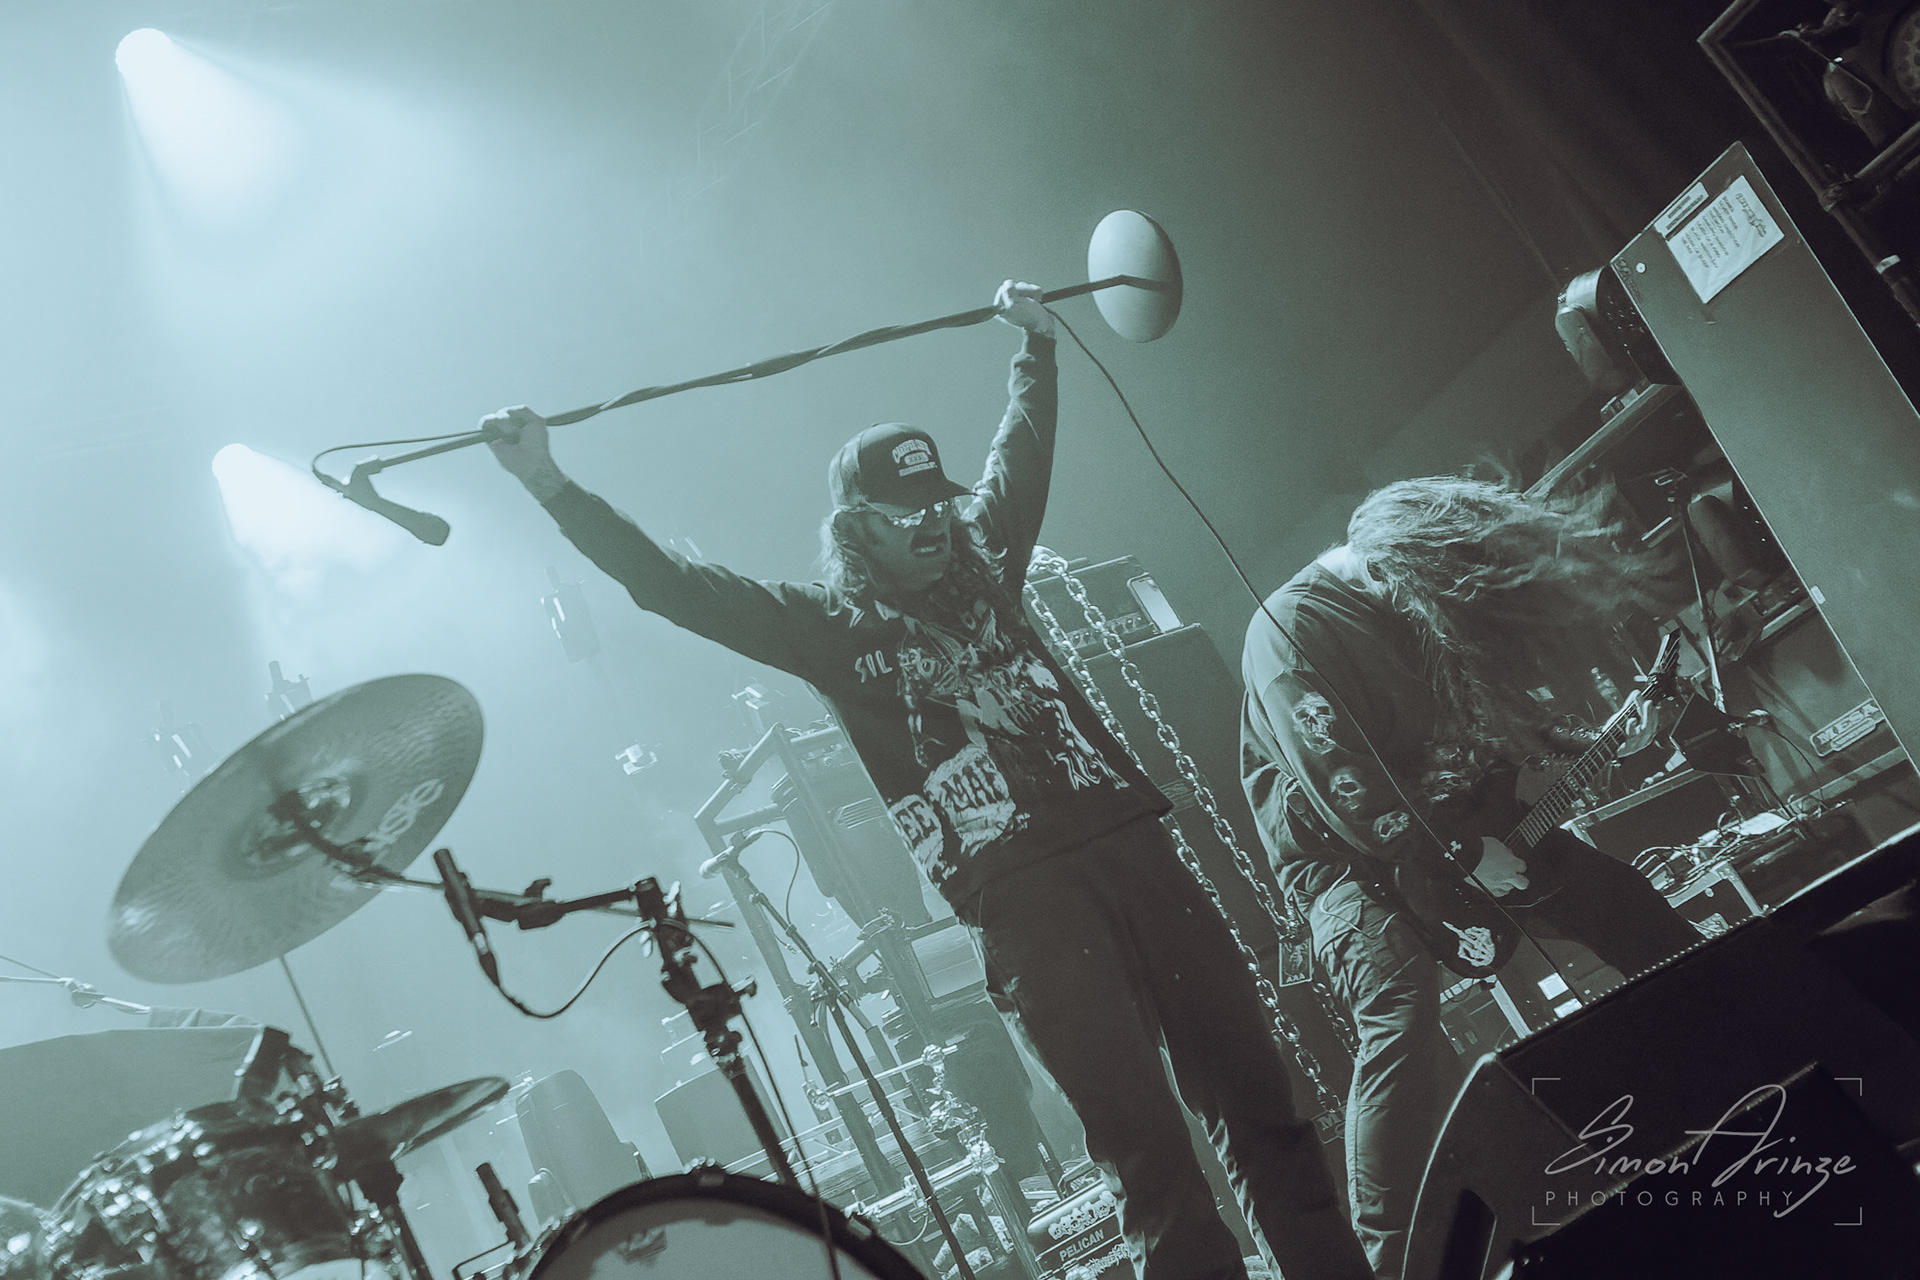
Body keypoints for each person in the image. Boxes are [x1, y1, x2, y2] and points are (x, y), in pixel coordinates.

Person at [486, 281, 1371, 1280]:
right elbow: (674, 587)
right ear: (856, 522)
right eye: (905, 511)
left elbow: (1019, 455)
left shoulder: (988, 557)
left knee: (1267, 1111)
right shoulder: (827, 626)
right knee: (1153, 1163)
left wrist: (1035, 346)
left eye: (936, 502)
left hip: (1135, 845)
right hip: (1026, 900)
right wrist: (551, 485)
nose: (935, 522)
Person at [1238, 476, 1700, 1279]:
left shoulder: (1413, 613)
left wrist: (1599, 741)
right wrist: (1455, 852)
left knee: (1622, 905)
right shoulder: (1293, 627)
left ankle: (1729, 1045)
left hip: (1465, 830)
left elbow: (1490, 725)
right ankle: (1382, 1262)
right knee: (1399, 1013)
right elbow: (1341, 781)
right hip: (1350, 869)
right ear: (1401, 568)